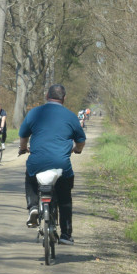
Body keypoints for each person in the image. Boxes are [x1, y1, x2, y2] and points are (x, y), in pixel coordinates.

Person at [19, 84, 86, 245]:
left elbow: (23, 136)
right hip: (61, 165)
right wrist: (76, 150)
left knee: (30, 177)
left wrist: (23, 149)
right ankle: (66, 235)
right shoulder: (71, 116)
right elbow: (81, 141)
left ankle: (33, 207)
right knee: (65, 199)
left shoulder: (35, 112)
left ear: (47, 96)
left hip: (37, 163)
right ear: (64, 98)